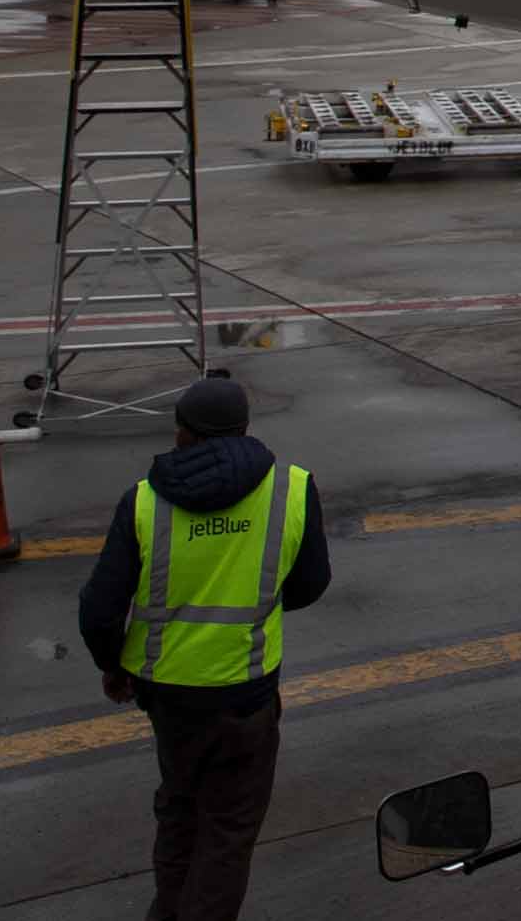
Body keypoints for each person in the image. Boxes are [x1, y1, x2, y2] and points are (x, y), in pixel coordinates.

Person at [78, 371, 332, 921]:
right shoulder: (292, 488)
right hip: (247, 695)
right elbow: (311, 585)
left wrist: (113, 666)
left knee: (180, 813)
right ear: (244, 429)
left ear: (181, 434)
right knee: (228, 832)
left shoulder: (143, 501)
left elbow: (99, 609)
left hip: (168, 696)